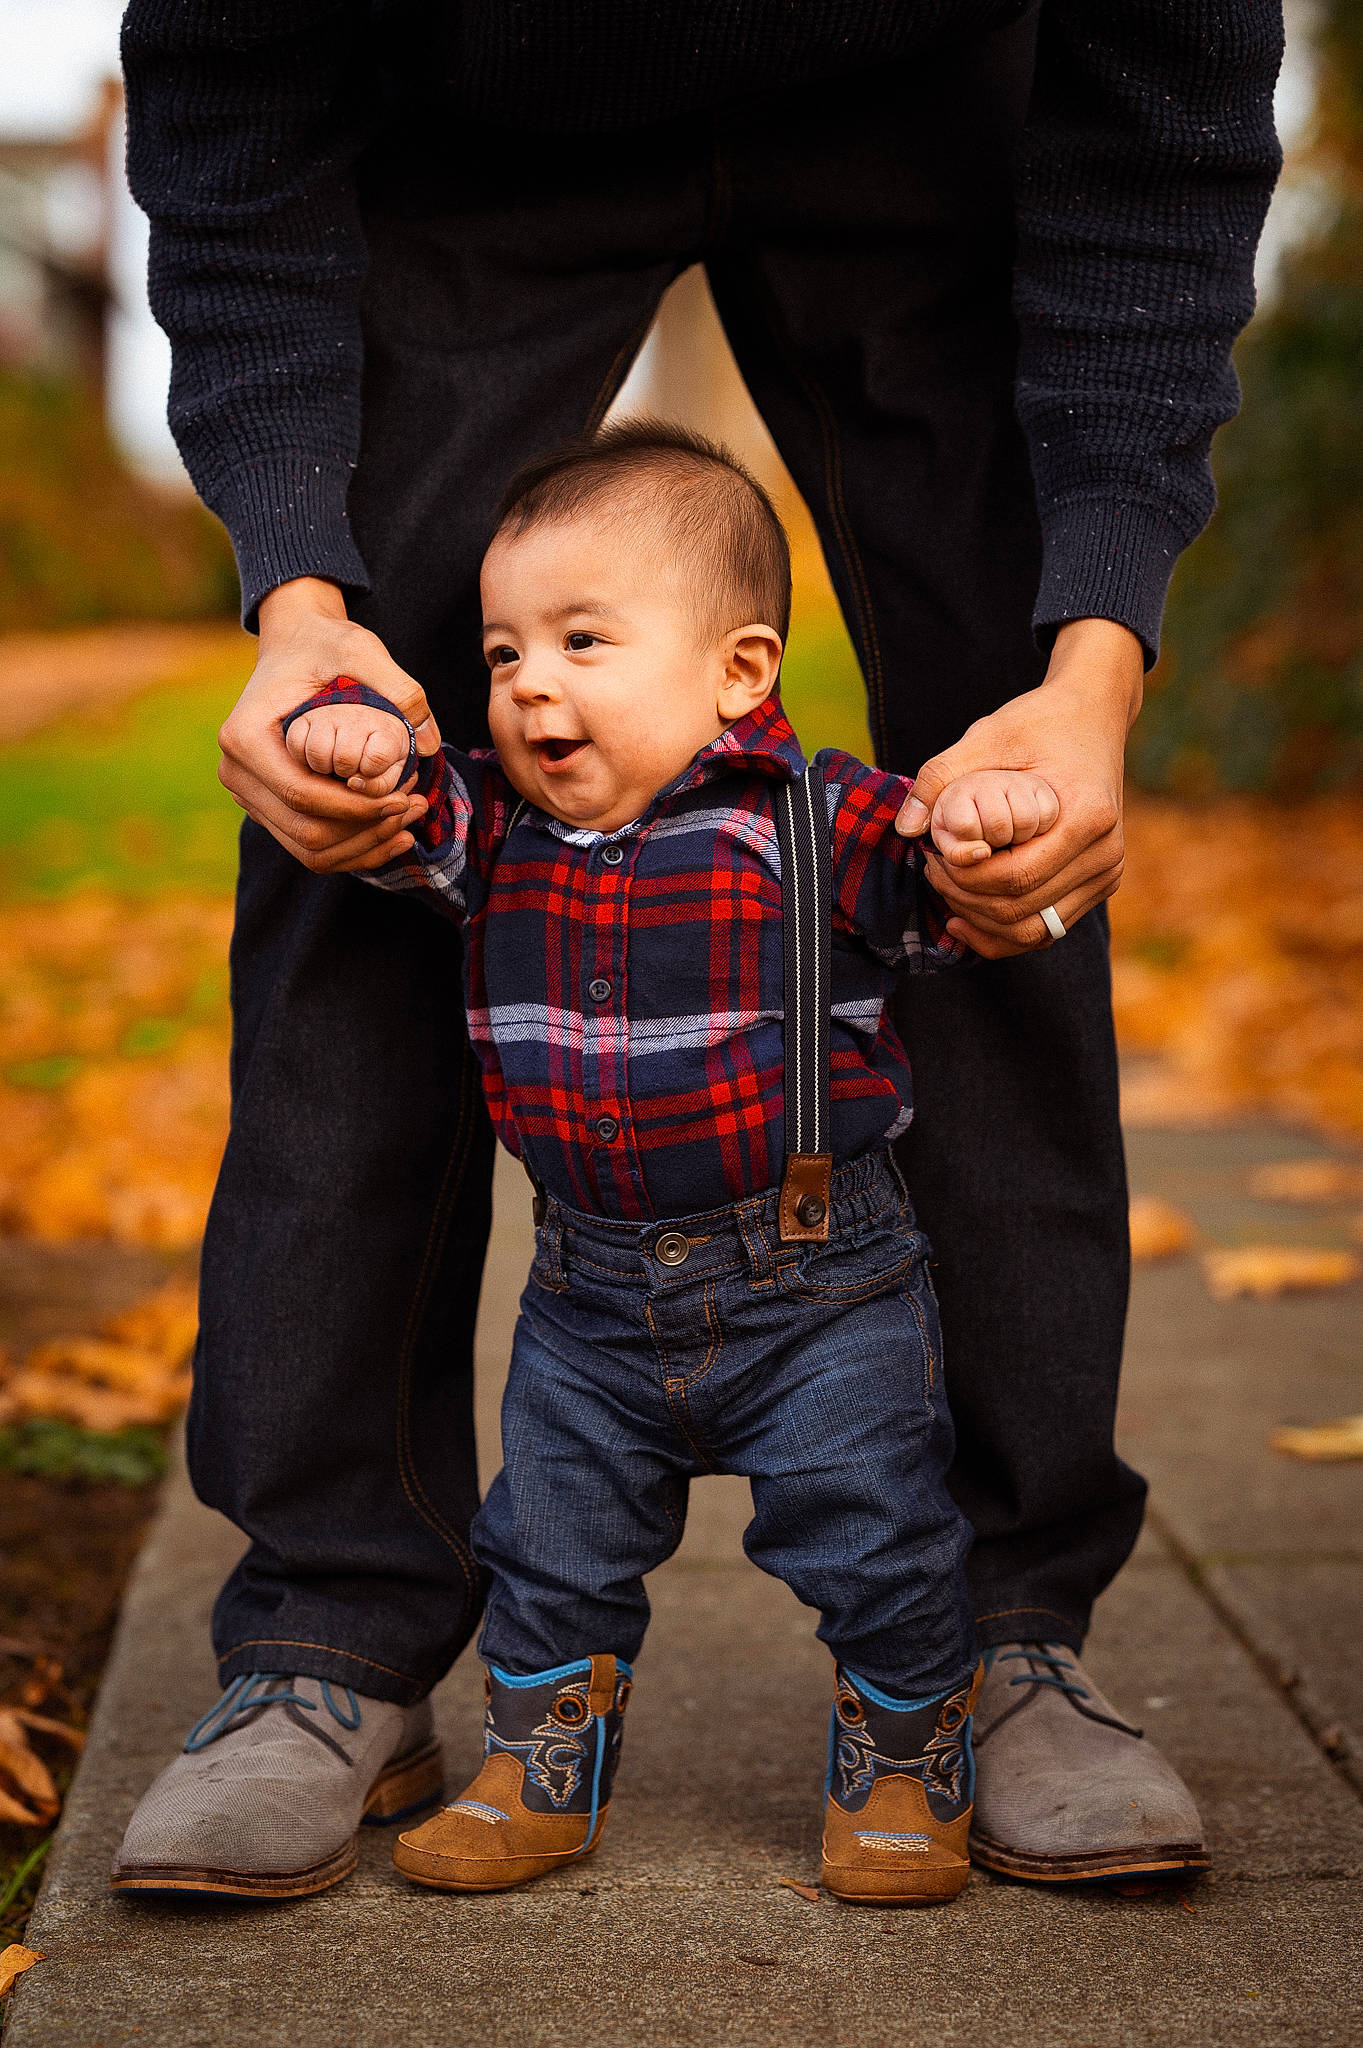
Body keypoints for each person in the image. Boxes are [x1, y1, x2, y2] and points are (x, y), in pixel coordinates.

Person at [115, 0, 1283, 1895]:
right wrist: (296, 588)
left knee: (1004, 807)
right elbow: (233, 100)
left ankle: (992, 1633)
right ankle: (326, 1631)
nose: (548, 698)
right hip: (472, 113)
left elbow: (1166, 142)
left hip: (929, 107)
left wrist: (1093, 664)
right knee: (366, 780)